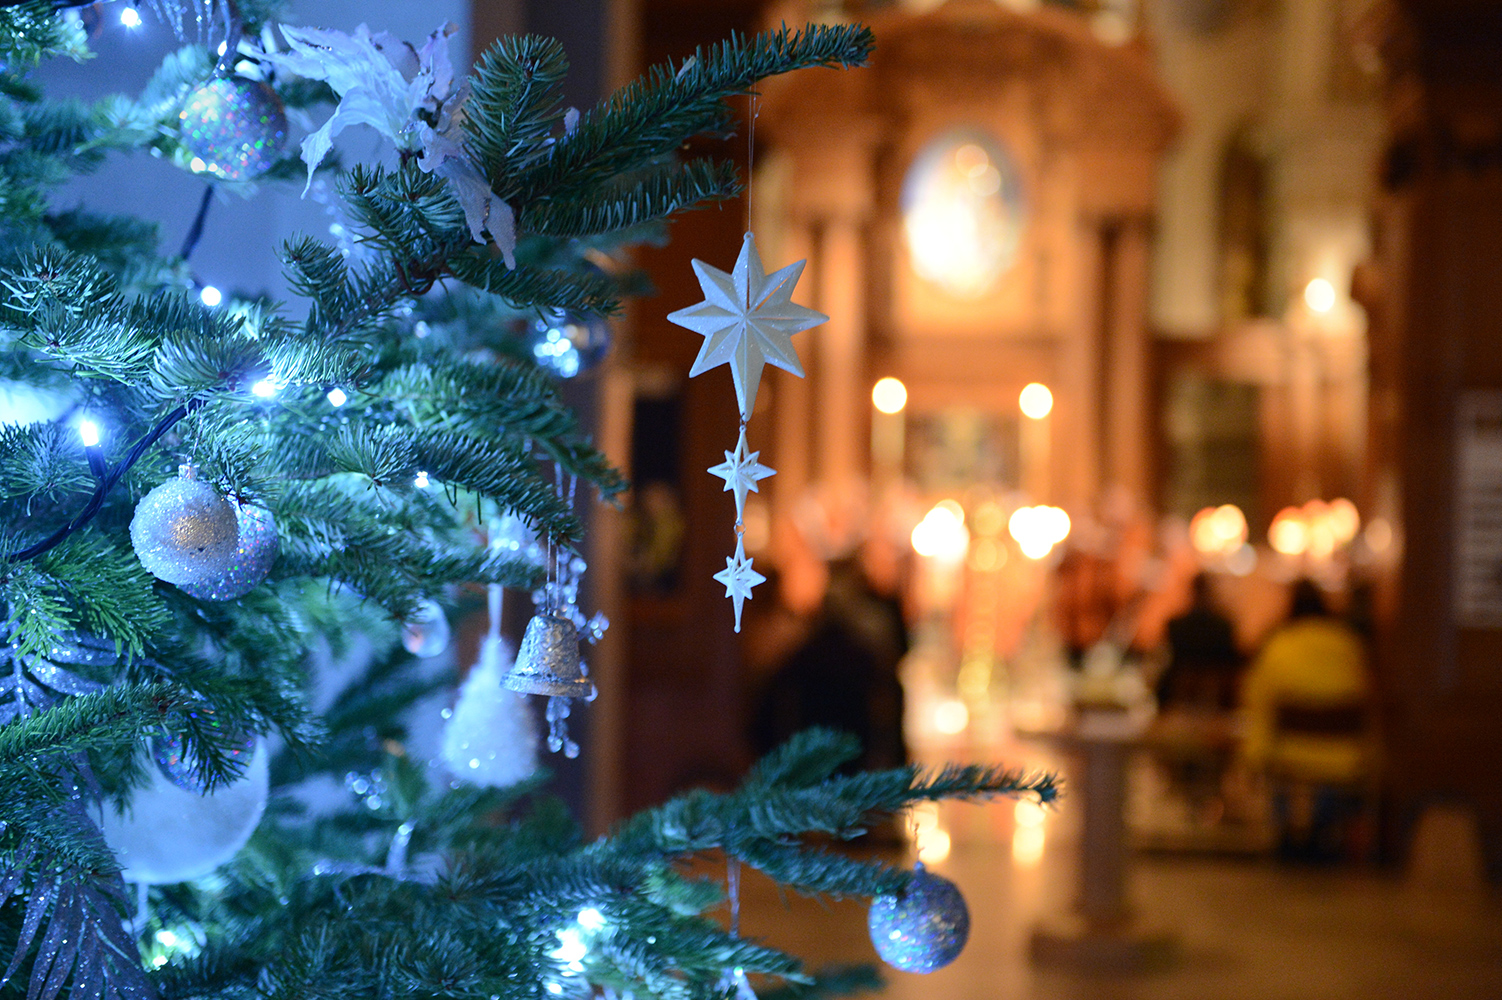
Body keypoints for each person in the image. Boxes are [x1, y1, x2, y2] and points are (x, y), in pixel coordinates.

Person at [1240, 579, 1373, 861]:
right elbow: (1365, 693)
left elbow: (1258, 702)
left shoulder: (1280, 643)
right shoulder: (1348, 644)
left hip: (1289, 751)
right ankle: (1321, 832)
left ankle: (1287, 835)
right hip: (1344, 754)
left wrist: (1253, 756)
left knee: (1282, 765)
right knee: (1328, 772)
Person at [1156, 573, 1242, 712]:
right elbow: (1230, 662)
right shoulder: (1222, 624)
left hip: (1181, 691)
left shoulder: (1177, 624)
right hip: (1213, 692)